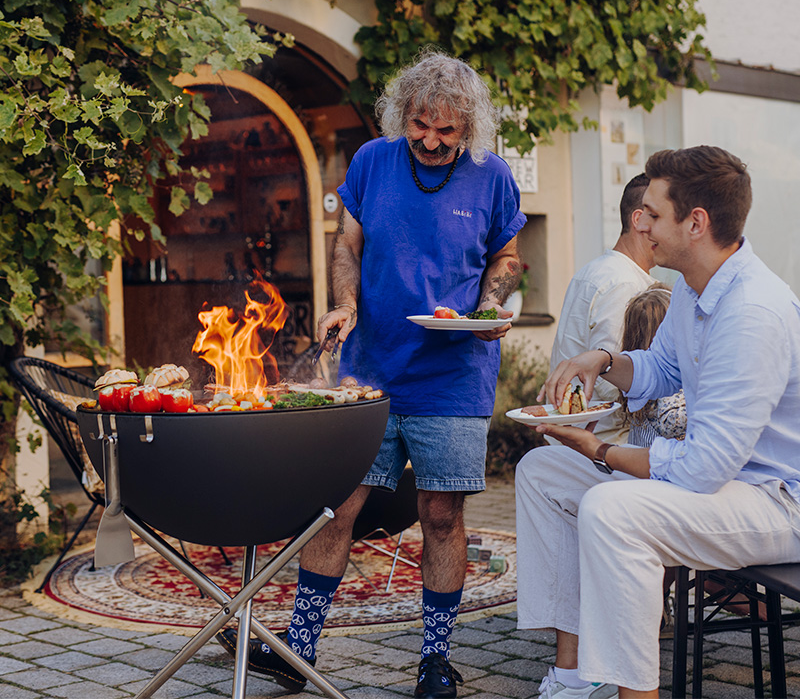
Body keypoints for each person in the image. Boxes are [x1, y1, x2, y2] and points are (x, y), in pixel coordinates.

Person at [219, 49, 526, 698]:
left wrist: (492, 301)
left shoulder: (492, 175)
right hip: (372, 371)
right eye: (421, 124)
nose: (432, 139)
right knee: (336, 507)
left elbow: (507, 255)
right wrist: (345, 304)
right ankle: (299, 650)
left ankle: (435, 659)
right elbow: (346, 243)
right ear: (401, 115)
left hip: (455, 375)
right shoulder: (371, 162)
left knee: (441, 516)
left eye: (447, 129)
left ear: (468, 127)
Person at [515, 145, 800, 699]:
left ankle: (631, 691)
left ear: (695, 223)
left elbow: (701, 469)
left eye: (652, 212)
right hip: (727, 484)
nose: (638, 222)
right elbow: (659, 368)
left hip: (778, 498)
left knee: (614, 509)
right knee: (543, 470)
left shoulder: (752, 312)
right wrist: (602, 359)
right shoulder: (695, 291)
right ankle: (576, 674)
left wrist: (598, 452)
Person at [547, 174, 656, 445]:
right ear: (639, 219)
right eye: (665, 218)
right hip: (604, 446)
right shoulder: (625, 284)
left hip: (579, 438)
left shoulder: (597, 269)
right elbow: (609, 380)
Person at [618, 284, 685, 449]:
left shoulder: (635, 377)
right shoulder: (663, 381)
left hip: (638, 465)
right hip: (653, 470)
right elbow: (670, 421)